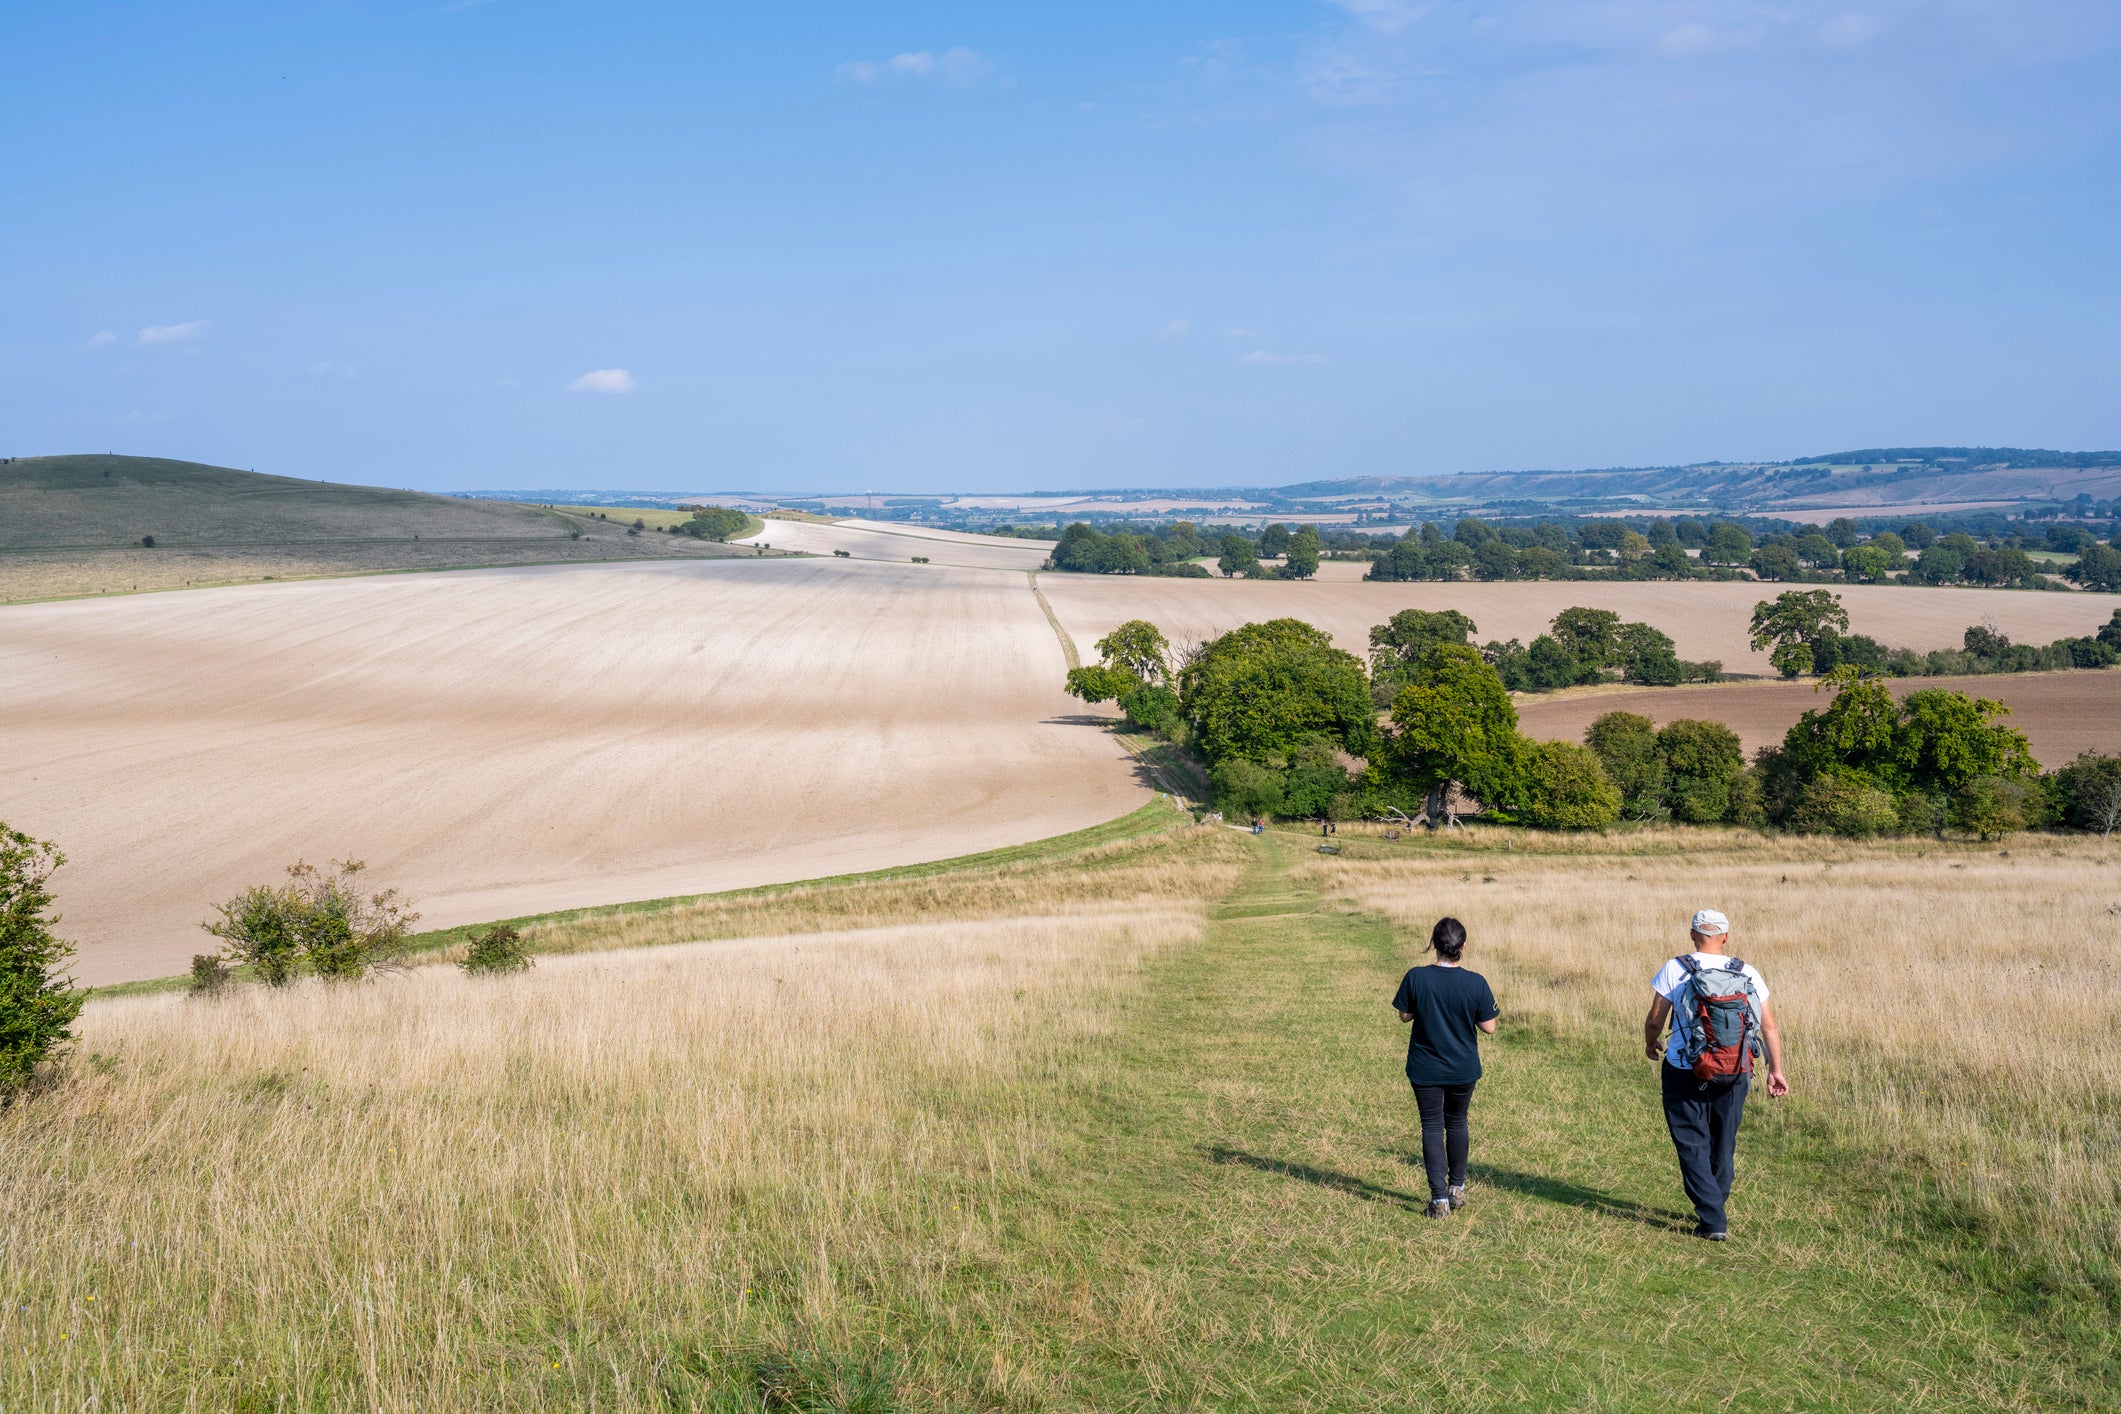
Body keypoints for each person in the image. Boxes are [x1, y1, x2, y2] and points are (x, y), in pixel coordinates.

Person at [1643, 909, 1789, 1241]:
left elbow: (1655, 1019)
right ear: (1726, 937)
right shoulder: (1746, 971)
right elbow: (1769, 1026)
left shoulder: (1676, 968)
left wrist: (1651, 1045)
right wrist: (1775, 1070)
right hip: (1737, 1069)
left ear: (1692, 935)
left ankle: (1712, 1218)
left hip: (1685, 1067)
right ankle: (1715, 1205)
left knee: (1692, 1141)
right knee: (1723, 1141)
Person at [1392, 917, 1499, 1219]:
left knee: (1431, 1127)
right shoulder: (1475, 982)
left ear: (1434, 944)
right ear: (1463, 946)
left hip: (1425, 1067)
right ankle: (1457, 1188)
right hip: (1463, 1068)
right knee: (1457, 1123)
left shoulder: (1416, 976)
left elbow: (1404, 1016)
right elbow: (1489, 1027)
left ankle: (1438, 1200)